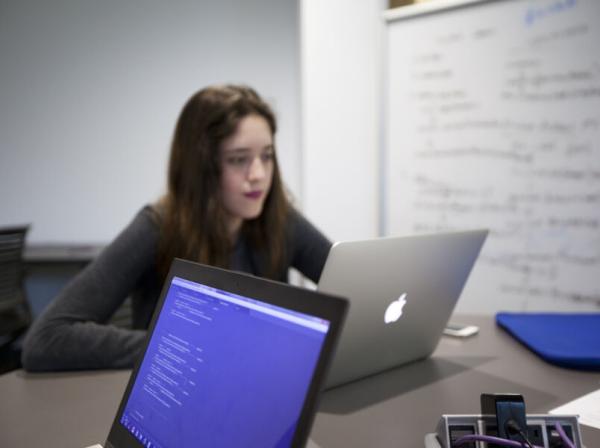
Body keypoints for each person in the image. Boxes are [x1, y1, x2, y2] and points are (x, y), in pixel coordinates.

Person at [21, 85, 331, 371]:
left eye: (267, 156)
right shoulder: (157, 227)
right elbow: (46, 338)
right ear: (201, 167)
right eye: (239, 160)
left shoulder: (279, 219)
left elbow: (354, 287)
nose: (259, 174)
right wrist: (183, 348)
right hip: (178, 403)